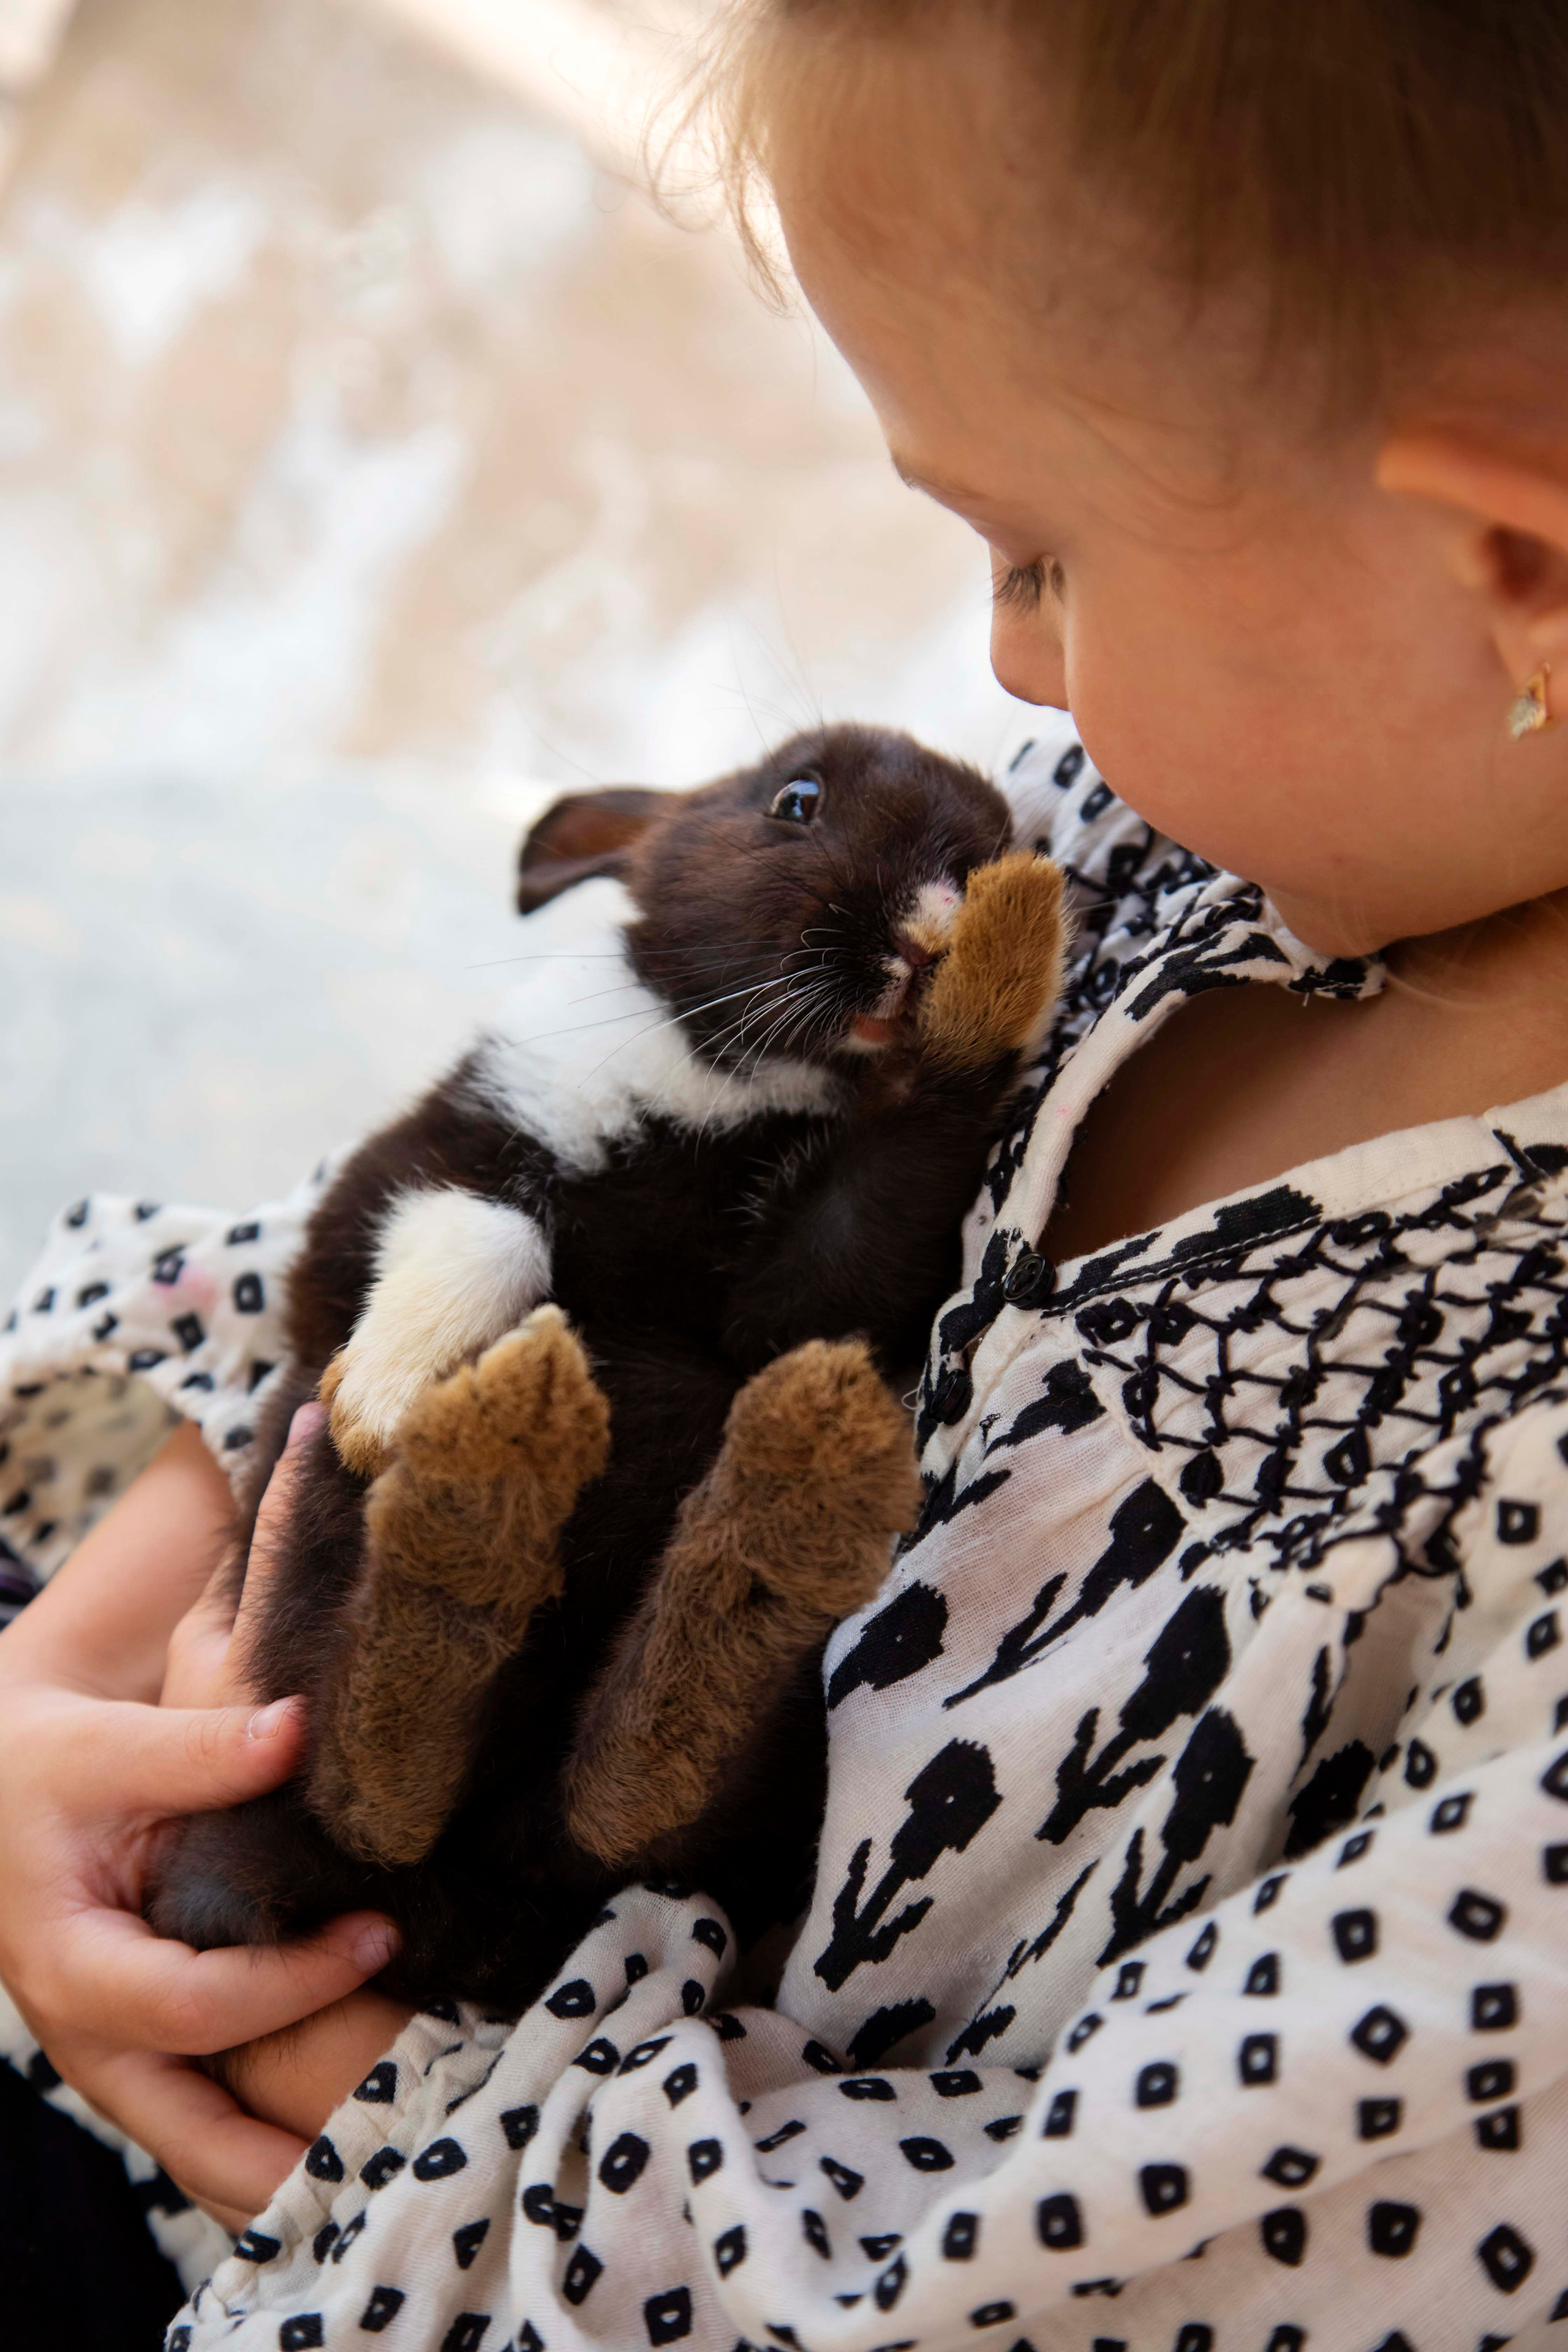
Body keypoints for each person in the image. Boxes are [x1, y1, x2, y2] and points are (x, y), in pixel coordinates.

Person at [4, 2, 1568, 2343]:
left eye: (1041, 554)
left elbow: (1066, 2279)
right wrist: (126, 1629)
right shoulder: (1186, 857)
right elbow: (492, 1213)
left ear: (1514, 569)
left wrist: (395, 2115)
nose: (1008, 675)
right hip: (259, 1825)